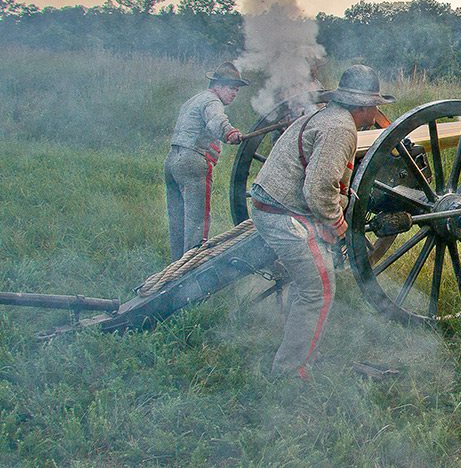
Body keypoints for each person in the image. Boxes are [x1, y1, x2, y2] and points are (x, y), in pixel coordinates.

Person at [249, 65, 395, 380]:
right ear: (362, 106)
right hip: (282, 214)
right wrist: (339, 225)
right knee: (319, 287)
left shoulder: (328, 117)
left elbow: (326, 181)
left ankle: (296, 346)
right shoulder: (340, 128)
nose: (375, 111)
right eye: (373, 105)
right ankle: (290, 370)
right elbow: (317, 192)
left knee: (309, 282)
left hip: (275, 203)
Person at [165, 61, 248, 261]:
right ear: (217, 85)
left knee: (178, 219)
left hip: (172, 161)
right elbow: (215, 120)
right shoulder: (212, 101)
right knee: (196, 221)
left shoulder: (194, 100)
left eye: (237, 90)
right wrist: (230, 133)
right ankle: (191, 265)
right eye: (231, 88)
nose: (234, 94)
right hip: (192, 161)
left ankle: (175, 264)